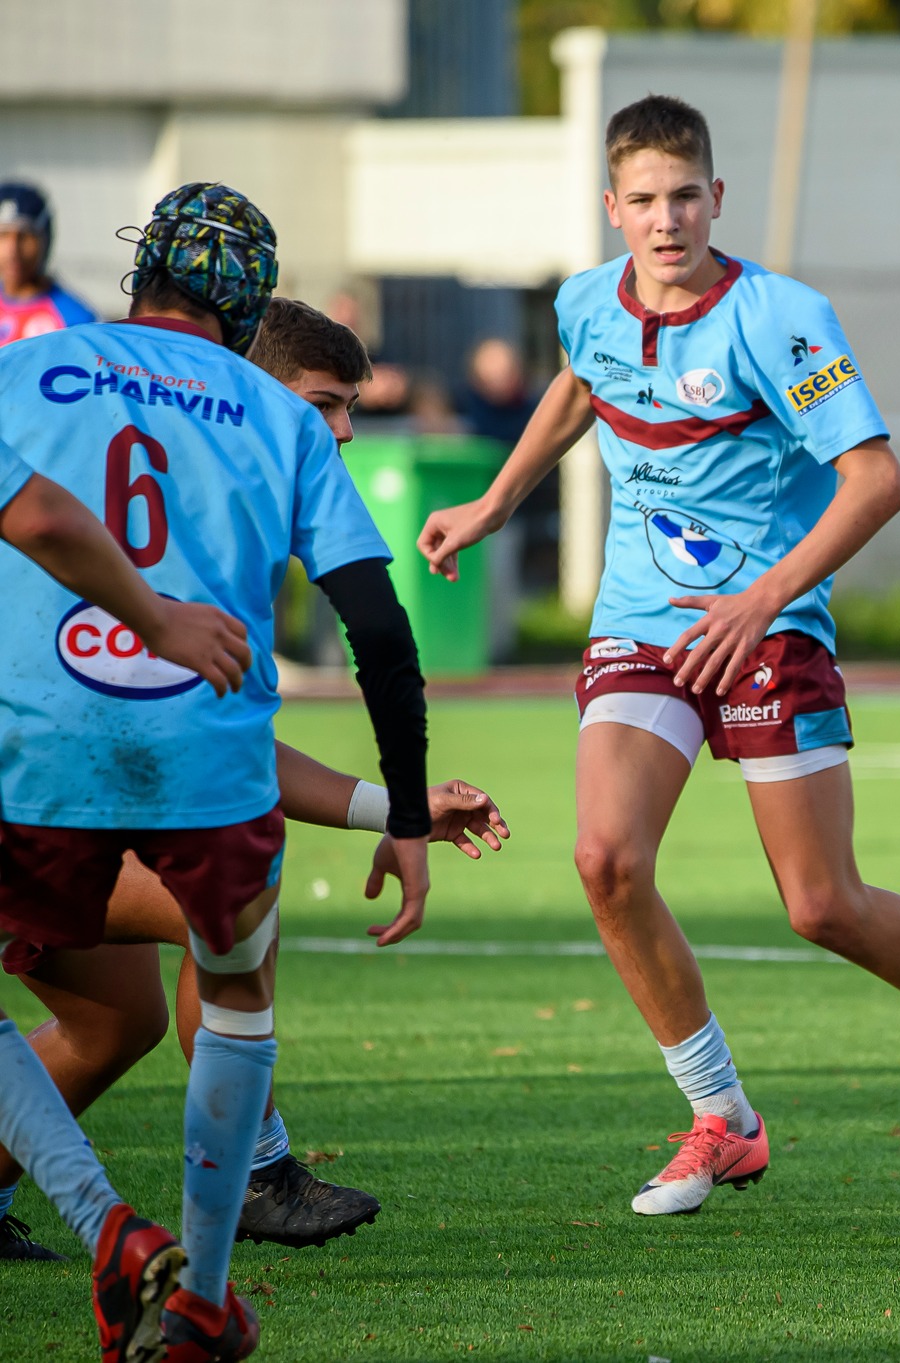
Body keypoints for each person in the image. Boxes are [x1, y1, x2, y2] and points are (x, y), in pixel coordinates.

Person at [416, 95, 900, 1215]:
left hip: (769, 629)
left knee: (822, 905)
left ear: (716, 198)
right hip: (641, 622)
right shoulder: (584, 300)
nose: (666, 219)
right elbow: (579, 383)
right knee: (604, 859)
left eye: (686, 196)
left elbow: (877, 480)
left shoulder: (782, 318)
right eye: (643, 201)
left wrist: (761, 598)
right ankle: (721, 1117)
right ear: (612, 210)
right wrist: (491, 503)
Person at [0, 183, 430, 1359]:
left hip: (28, 751)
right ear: (250, 312)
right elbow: (378, 628)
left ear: (141, 274)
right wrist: (409, 806)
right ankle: (203, 1288)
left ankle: (107, 1228)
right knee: (234, 983)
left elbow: (32, 516)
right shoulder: (275, 416)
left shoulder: (30, 365)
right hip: (211, 776)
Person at [0, 182, 95, 348]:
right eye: (3, 235)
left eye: (24, 236)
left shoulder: (75, 321)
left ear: (45, 240)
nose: (13, 250)